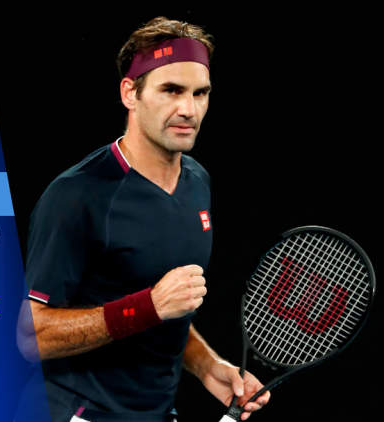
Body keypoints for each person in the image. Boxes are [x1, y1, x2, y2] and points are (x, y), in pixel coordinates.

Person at [22, 17, 270, 422]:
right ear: (130, 93)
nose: (188, 109)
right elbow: (30, 336)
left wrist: (209, 367)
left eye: (200, 93)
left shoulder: (197, 182)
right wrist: (149, 306)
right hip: (78, 413)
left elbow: (169, 313)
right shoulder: (75, 196)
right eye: (171, 90)